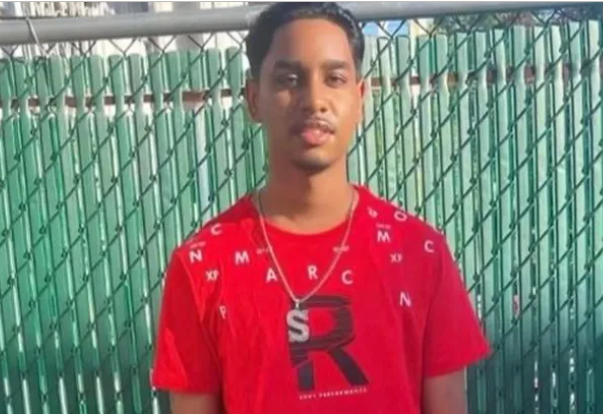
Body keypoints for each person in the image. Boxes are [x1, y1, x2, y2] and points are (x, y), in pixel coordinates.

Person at [150, 3, 490, 413]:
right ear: (254, 99)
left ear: (360, 97)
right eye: (290, 79)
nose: (314, 99)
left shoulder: (420, 254)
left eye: (334, 78)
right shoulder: (201, 267)